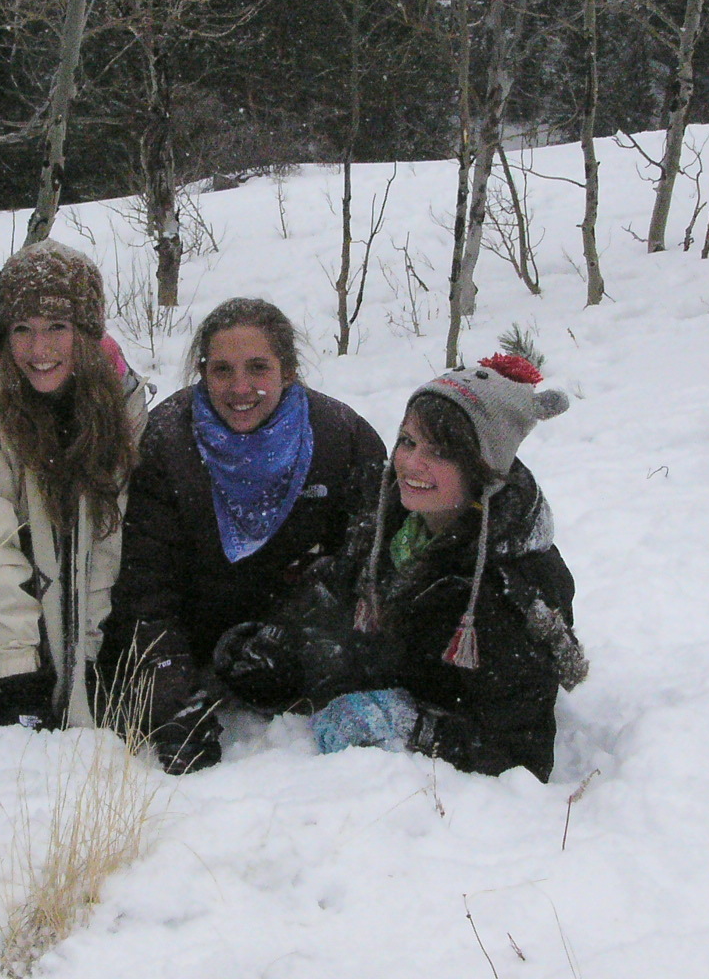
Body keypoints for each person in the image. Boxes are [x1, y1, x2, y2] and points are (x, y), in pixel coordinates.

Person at [101, 297, 387, 774]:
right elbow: (146, 586)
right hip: (192, 640)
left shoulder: (341, 438)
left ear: (288, 370)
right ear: (202, 372)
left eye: (258, 368)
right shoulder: (168, 442)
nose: (239, 388)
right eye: (222, 370)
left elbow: (367, 566)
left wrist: (305, 641)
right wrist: (171, 700)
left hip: (297, 643)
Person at [300, 355, 588, 781]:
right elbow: (336, 598)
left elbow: (519, 753)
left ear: (482, 469)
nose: (412, 464)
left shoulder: (509, 590)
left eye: (440, 452)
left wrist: (414, 726)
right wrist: (285, 652)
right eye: (408, 441)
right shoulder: (394, 520)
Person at [0, 241, 149, 730]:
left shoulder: (119, 400)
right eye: (22, 329)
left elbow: (105, 538)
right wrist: (15, 665)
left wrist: (87, 654)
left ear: (86, 332)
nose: (39, 350)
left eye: (57, 327)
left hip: (69, 597)